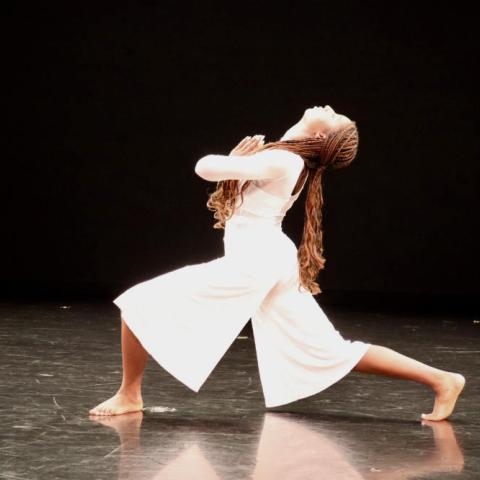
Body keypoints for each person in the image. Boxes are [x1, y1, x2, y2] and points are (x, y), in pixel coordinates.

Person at [89, 105, 465, 420]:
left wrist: (235, 161)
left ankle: (129, 395)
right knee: (333, 350)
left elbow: (204, 167)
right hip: (272, 262)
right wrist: (240, 166)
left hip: (255, 265)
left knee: (139, 302)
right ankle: (442, 379)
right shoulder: (290, 160)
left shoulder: (285, 160)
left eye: (334, 117)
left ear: (320, 139)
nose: (328, 108)